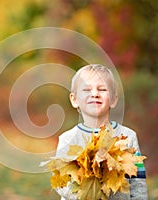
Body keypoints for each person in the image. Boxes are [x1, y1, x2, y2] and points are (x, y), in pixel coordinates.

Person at [54, 64, 148, 200]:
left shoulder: (128, 137)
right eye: (86, 89)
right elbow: (60, 182)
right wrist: (88, 194)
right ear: (74, 100)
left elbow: (138, 183)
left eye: (102, 89)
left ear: (114, 99)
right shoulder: (68, 139)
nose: (95, 94)